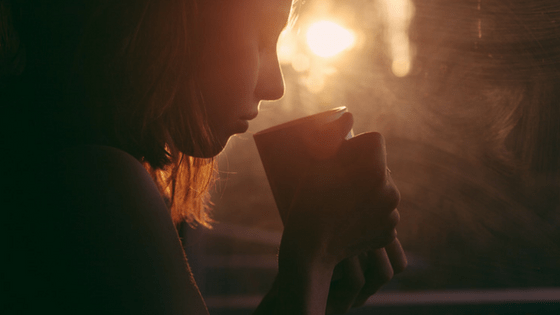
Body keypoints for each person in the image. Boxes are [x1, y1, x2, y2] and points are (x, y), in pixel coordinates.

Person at [1, 0, 406, 314]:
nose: (276, 86)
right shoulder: (95, 183)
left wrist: (311, 291)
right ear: (175, 28)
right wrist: (314, 256)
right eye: (263, 38)